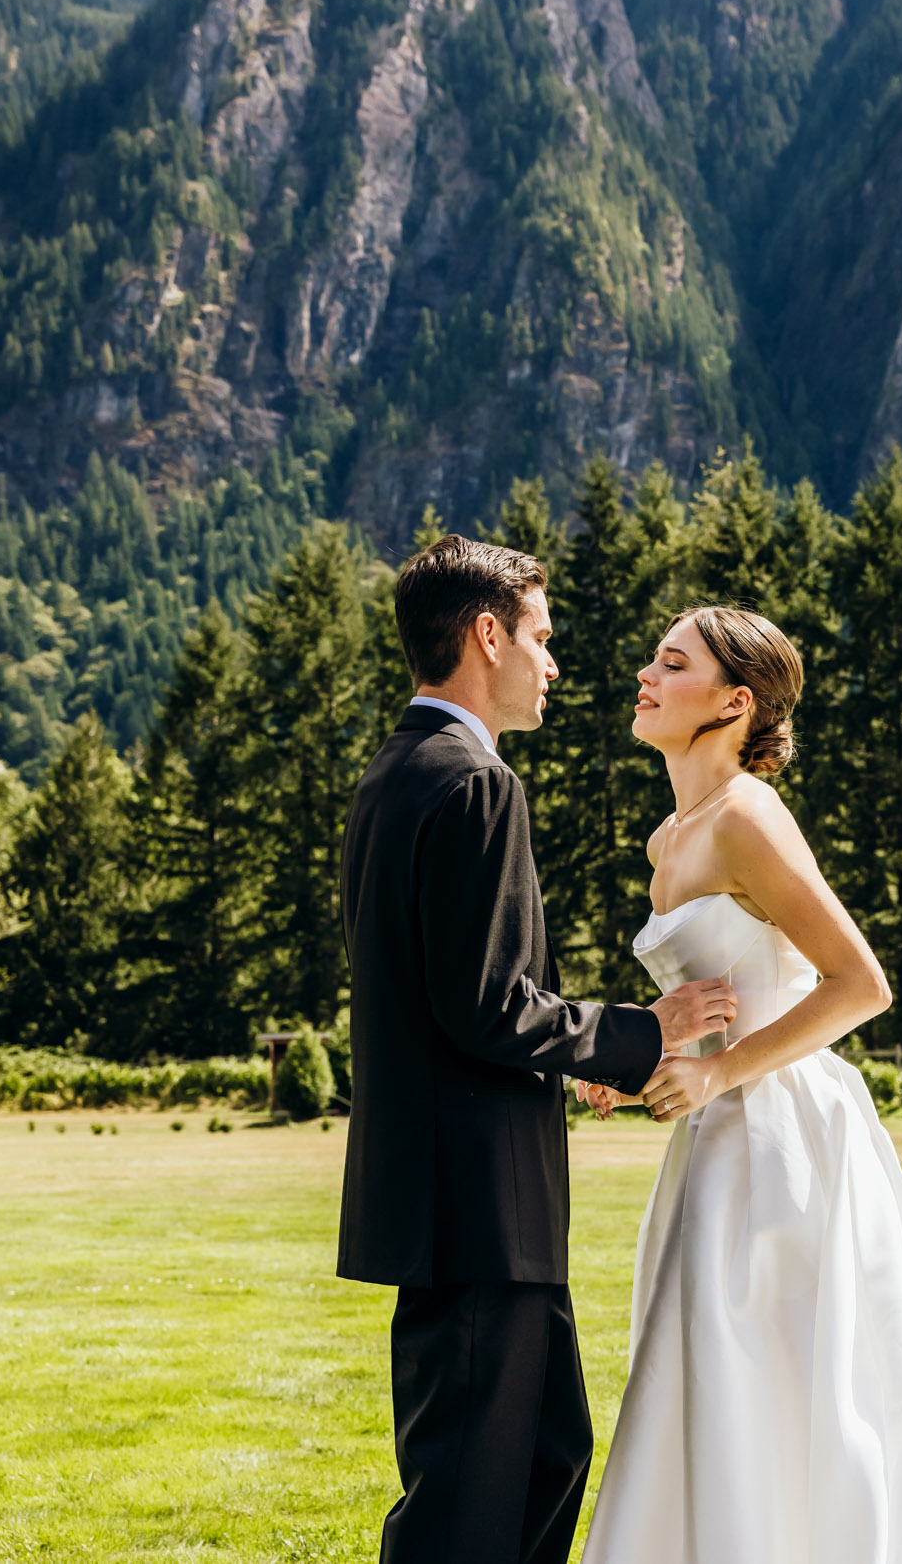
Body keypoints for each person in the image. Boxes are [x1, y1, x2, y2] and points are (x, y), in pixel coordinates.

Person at [576, 605, 902, 1564]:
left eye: (672, 661)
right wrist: (644, 1062)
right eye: (653, 657)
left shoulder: (746, 814)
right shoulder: (668, 838)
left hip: (783, 1142)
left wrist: (723, 1073)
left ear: (733, 702)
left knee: (778, 1382)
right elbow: (725, 996)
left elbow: (860, 983)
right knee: (711, 1381)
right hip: (713, 1144)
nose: (646, 673)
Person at [337, 535, 740, 1564]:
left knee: (541, 1457)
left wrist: (587, 1054)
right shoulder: (474, 783)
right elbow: (488, 1006)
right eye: (541, 636)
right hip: (478, 1205)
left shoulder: (394, 775)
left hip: (453, 1202)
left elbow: (457, 1003)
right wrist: (645, 1031)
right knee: (474, 1501)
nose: (552, 662)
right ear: (486, 633)